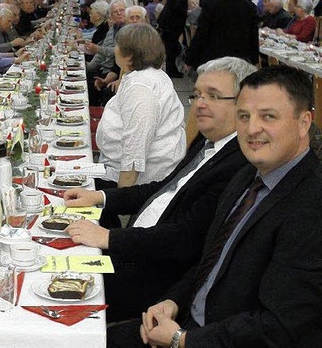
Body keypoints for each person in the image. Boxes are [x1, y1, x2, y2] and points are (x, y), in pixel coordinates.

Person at [110, 65, 322, 348]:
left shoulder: (311, 204)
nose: (251, 128)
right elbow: (211, 261)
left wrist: (182, 340)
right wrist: (172, 301)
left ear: (304, 122)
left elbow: (279, 327)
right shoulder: (248, 175)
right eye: (244, 116)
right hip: (190, 323)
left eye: (268, 117)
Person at [64, 57, 255, 322]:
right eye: (197, 94)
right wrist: (101, 196)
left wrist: (109, 238)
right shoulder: (209, 142)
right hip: (136, 246)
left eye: (213, 96)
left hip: (154, 274)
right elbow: (162, 189)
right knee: (63, 235)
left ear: (244, 104)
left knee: (60, 286)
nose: (200, 103)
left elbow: (187, 238)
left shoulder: (239, 163)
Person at [96, 23, 186, 192]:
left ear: (128, 55)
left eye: (117, 46)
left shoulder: (141, 88)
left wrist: (120, 197)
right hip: (119, 169)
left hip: (140, 180)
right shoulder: (147, 76)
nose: (114, 49)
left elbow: (135, 147)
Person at [185, 0, 259, 69]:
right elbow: (253, 35)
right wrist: (255, 60)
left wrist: (190, 59)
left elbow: (202, 34)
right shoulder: (250, 7)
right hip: (240, 59)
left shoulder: (212, 5)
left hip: (214, 58)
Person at [159, 0, 200, 78]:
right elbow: (177, 7)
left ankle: (171, 69)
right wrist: (188, 11)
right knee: (171, 47)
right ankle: (171, 70)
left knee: (171, 47)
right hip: (171, 24)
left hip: (171, 23)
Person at [87, 0, 127, 106]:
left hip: (115, 72)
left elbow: (116, 54)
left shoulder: (127, 32)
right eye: (115, 12)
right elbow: (116, 62)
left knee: (92, 85)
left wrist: (115, 79)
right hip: (110, 70)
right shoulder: (114, 28)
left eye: (122, 10)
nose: (119, 13)